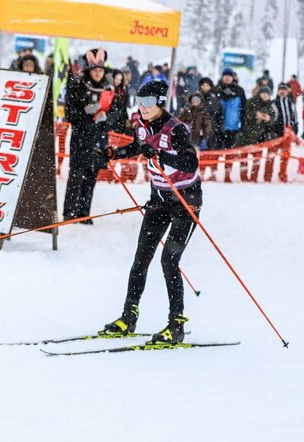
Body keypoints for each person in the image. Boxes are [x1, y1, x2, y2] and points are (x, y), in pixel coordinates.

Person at [95, 80, 202, 345]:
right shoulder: (141, 125)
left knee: (169, 261)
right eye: (140, 101)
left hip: (185, 201)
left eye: (149, 102)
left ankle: (176, 324)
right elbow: (138, 146)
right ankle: (128, 317)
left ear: (161, 102)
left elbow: (191, 162)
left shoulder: (176, 129)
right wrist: (114, 153)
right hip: (159, 199)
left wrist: (161, 155)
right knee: (141, 258)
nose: (143, 107)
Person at [63, 48, 115, 224]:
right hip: (81, 139)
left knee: (92, 176)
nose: (98, 73)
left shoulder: (109, 89)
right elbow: (70, 114)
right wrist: (86, 113)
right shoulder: (78, 86)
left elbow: (118, 115)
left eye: (100, 70)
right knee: (77, 175)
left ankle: (84, 212)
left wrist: (106, 118)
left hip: (99, 139)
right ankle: (69, 212)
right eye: (95, 70)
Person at [234, 86, 275, 182]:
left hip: (260, 136)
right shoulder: (251, 101)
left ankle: (254, 177)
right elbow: (245, 113)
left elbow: (273, 118)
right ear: (259, 93)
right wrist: (255, 115)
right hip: (247, 134)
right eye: (263, 93)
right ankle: (243, 177)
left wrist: (268, 119)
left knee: (257, 158)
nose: (265, 96)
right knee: (244, 157)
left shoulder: (270, 105)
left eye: (267, 94)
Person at [216, 68, 246, 182]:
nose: (227, 77)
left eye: (229, 75)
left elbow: (244, 110)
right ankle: (213, 173)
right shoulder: (217, 89)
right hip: (218, 128)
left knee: (230, 153)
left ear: (233, 77)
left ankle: (227, 174)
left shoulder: (239, 91)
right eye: (225, 75)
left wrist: (243, 124)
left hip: (233, 127)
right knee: (215, 152)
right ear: (222, 77)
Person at [198, 77, 223, 150]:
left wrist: (219, 127)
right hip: (198, 130)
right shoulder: (196, 97)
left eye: (207, 85)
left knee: (211, 151)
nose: (205, 87)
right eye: (203, 85)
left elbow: (219, 114)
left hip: (212, 129)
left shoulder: (214, 99)